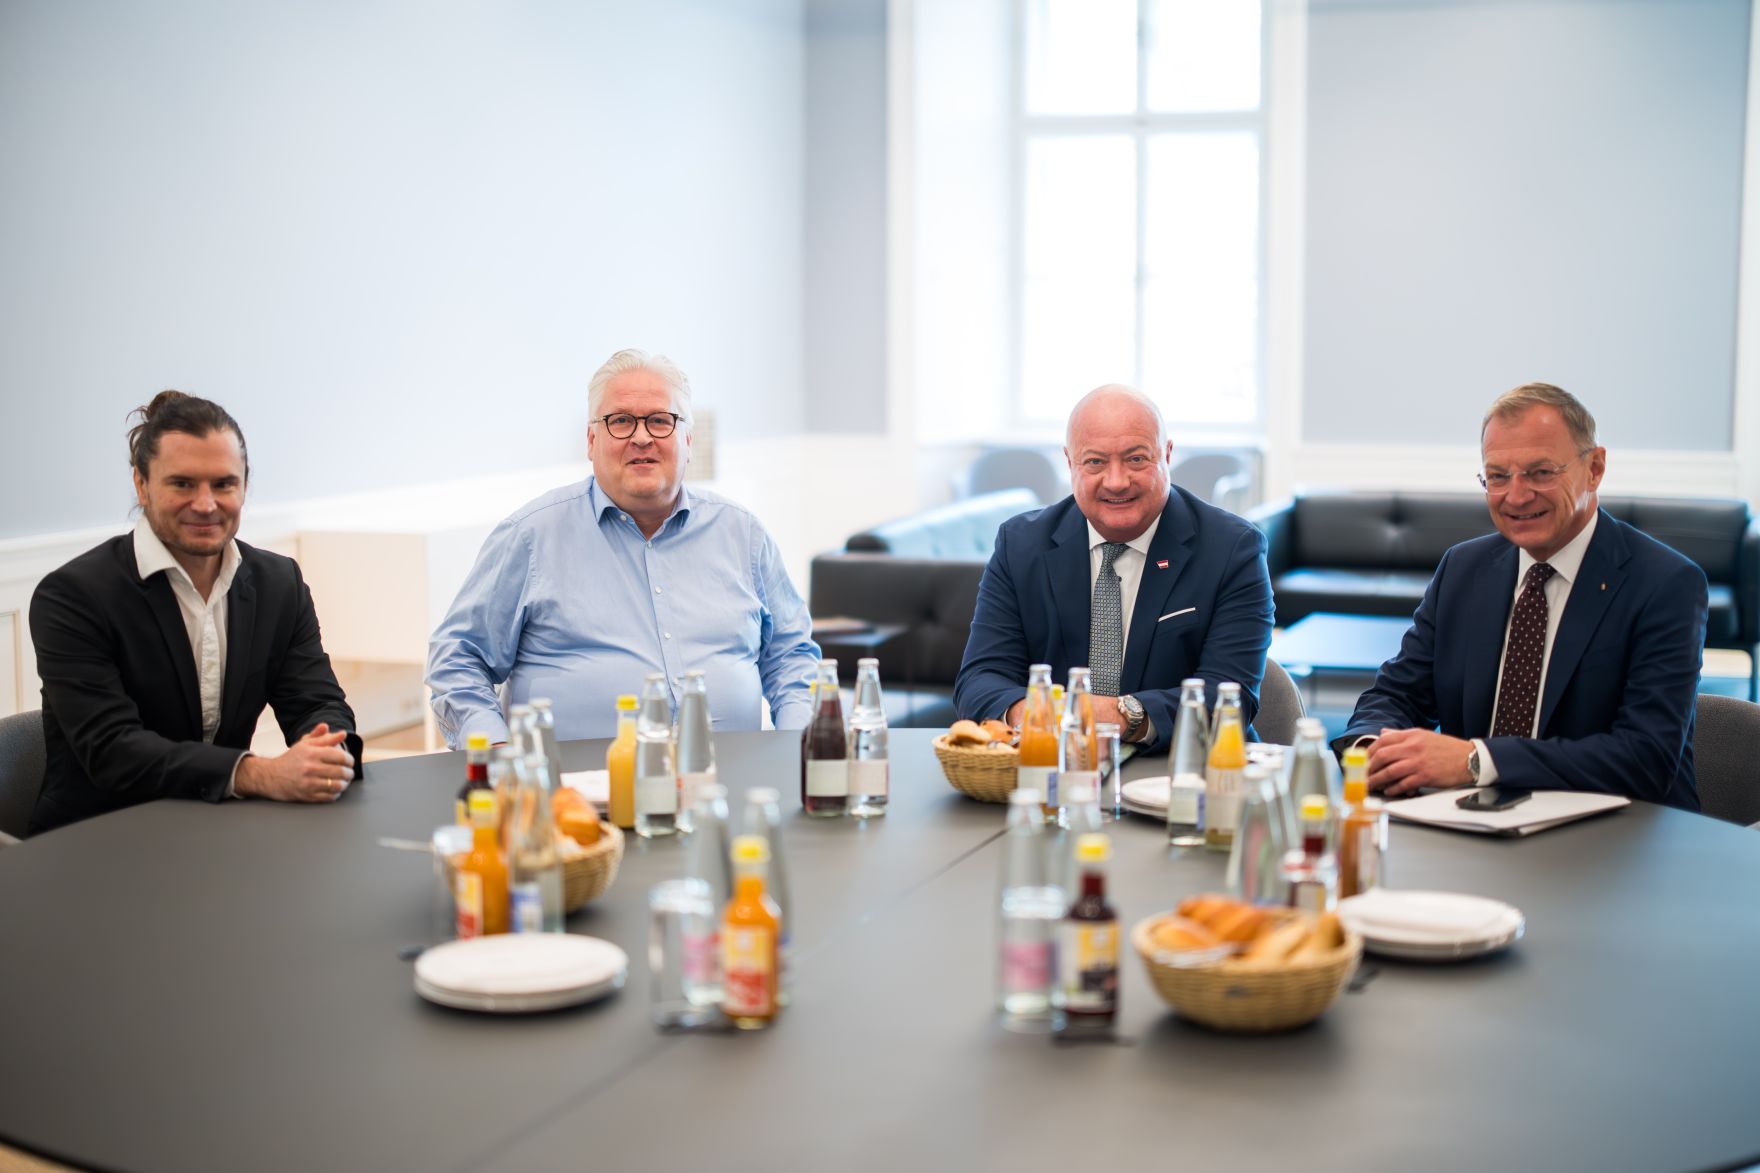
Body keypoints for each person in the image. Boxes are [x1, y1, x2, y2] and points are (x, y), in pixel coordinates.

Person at [1338, 383, 1707, 809]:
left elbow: (1646, 758)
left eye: (1541, 472)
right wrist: (1374, 748)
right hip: (1471, 826)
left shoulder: (1665, 583)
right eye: (1497, 476)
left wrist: (1479, 761)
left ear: (1595, 467)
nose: (1516, 496)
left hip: (1621, 841)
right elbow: (1396, 694)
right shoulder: (1463, 568)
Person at [426, 348, 820, 745]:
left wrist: (796, 751)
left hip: (731, 789)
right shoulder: (529, 537)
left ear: (687, 439)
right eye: (621, 422)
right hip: (574, 796)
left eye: (660, 421)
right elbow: (458, 659)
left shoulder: (743, 535)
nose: (642, 437)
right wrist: (495, 751)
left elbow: (791, 658)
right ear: (591, 439)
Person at [29, 392, 361, 835]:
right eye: (182, 483)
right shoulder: (72, 596)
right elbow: (113, 751)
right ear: (142, 484)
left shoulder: (279, 583)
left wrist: (328, 752)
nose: (206, 504)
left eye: (224, 484)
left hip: (219, 832)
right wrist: (258, 773)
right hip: (97, 842)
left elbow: (316, 702)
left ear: (244, 486)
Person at [954, 384, 1275, 750]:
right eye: (1095, 461)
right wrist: (1032, 714)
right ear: (1070, 462)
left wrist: (1118, 716)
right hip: (1052, 770)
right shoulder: (1021, 545)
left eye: (1137, 459)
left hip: (1188, 771)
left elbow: (1229, 698)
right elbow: (980, 679)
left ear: (1166, 455)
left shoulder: (1232, 549)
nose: (1117, 480)